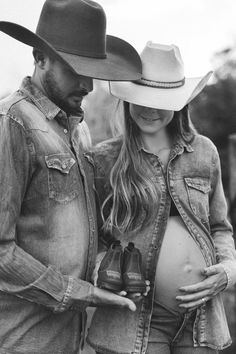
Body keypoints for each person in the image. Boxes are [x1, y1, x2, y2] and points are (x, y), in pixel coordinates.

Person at [0, 1, 142, 353]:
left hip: (71, 339)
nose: (88, 84)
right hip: (23, 340)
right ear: (39, 57)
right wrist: (84, 293)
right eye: (75, 68)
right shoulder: (11, 123)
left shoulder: (76, 129)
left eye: (93, 70)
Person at [86, 42, 236, 354]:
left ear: (179, 103)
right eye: (143, 98)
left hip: (201, 320)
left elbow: (220, 227)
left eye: (162, 100)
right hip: (133, 320)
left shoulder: (204, 152)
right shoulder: (104, 159)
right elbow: (91, 239)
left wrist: (227, 270)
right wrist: (108, 273)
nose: (150, 109)